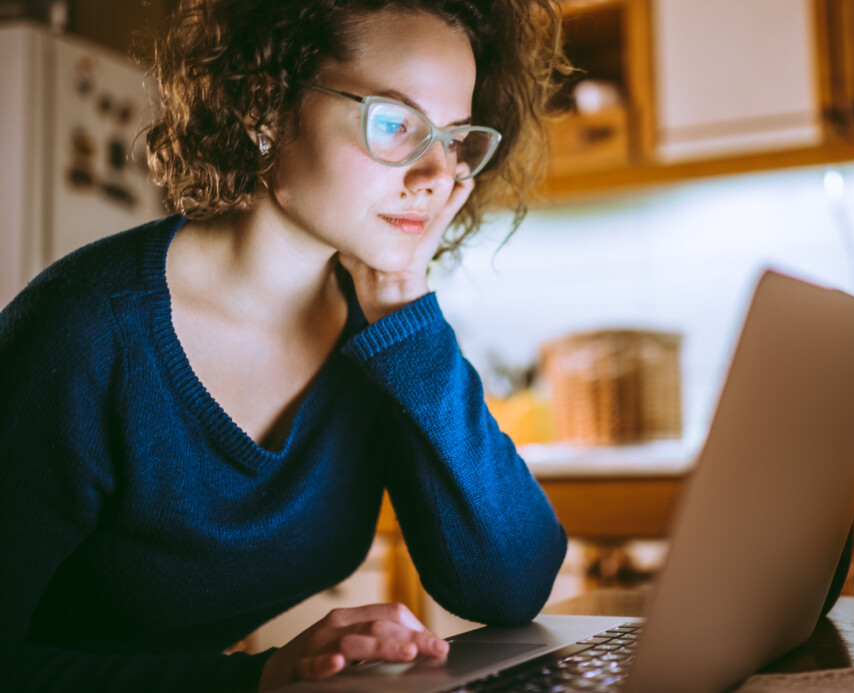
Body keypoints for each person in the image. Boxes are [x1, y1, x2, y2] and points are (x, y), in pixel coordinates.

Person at [0, 1, 569, 691]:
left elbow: (510, 587)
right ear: (264, 106)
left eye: (453, 140)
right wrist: (253, 680)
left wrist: (405, 305)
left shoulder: (383, 336)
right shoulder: (87, 330)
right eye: (394, 124)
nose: (435, 175)